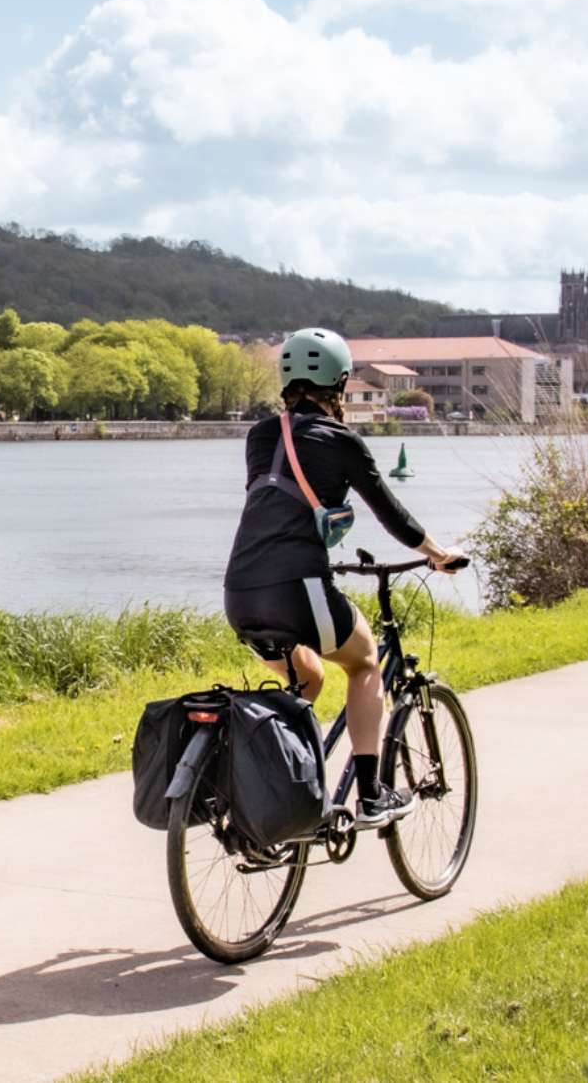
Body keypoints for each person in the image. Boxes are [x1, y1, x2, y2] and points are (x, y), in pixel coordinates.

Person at [223, 327, 467, 827]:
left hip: (240, 593)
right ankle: (373, 794)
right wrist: (438, 554)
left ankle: (278, 786)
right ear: (340, 383)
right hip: (299, 591)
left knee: (307, 677)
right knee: (365, 663)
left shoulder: (260, 435)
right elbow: (393, 516)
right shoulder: (341, 440)